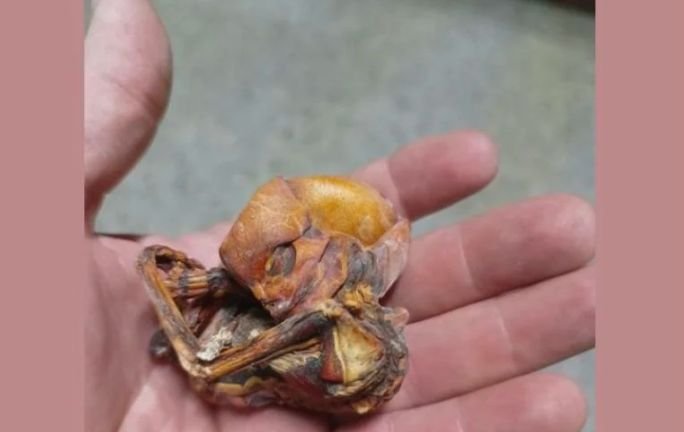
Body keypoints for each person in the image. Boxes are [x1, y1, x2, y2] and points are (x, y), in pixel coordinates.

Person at [85, 1, 595, 431]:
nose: (272, 291)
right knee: (199, 285)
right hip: (295, 352)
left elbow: (328, 318)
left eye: (283, 267)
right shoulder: (278, 291)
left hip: (338, 355)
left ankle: (226, 350)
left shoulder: (343, 291)